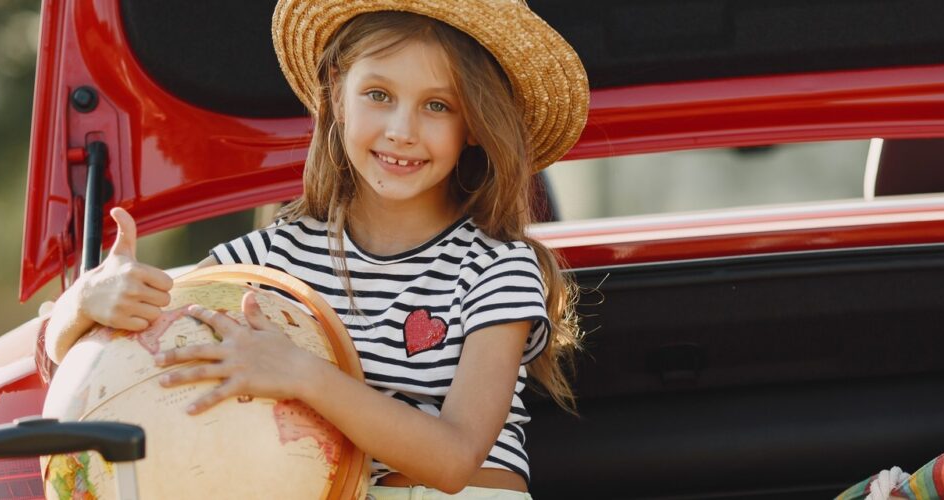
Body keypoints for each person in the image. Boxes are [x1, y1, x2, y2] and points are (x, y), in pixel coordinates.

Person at [38, 1, 589, 497]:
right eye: (379, 95)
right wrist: (83, 305)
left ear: (473, 123)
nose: (402, 129)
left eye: (438, 106)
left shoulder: (497, 267)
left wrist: (301, 373)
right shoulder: (271, 259)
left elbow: (453, 460)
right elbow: (128, 362)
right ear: (335, 92)